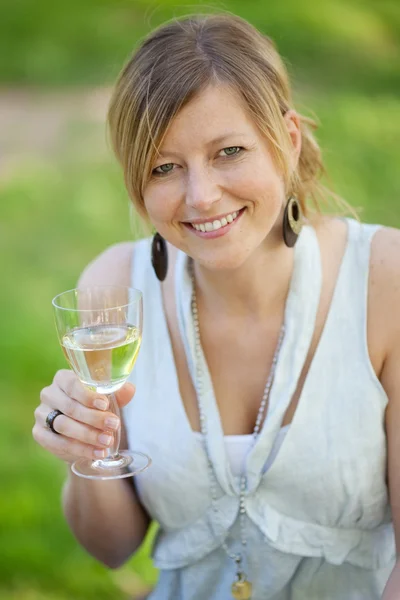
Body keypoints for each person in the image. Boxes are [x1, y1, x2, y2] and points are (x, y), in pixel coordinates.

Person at [32, 12, 400, 600]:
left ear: (288, 140)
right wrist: (85, 449)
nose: (201, 196)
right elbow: (111, 546)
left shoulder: (385, 280)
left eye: (229, 151)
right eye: (164, 167)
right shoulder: (113, 288)